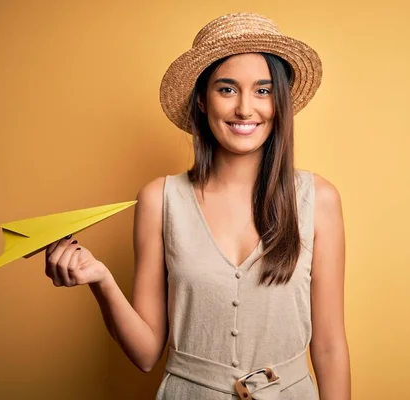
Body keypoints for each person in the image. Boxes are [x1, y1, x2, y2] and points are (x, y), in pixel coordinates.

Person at [44, 12, 351, 400]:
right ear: (203, 102)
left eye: (263, 90)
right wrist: (102, 280)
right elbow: (144, 353)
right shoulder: (159, 199)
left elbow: (328, 346)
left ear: (281, 103)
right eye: (226, 89)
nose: (244, 109)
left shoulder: (318, 200)